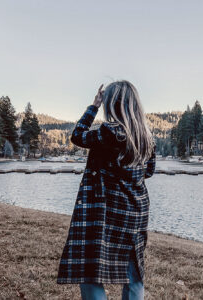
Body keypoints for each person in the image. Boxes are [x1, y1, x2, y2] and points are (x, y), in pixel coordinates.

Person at [57, 80, 156, 300]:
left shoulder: (109, 131)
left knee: (91, 270)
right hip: (135, 212)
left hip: (105, 212)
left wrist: (93, 106)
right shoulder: (146, 137)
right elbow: (148, 171)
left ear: (111, 104)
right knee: (134, 273)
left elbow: (78, 136)